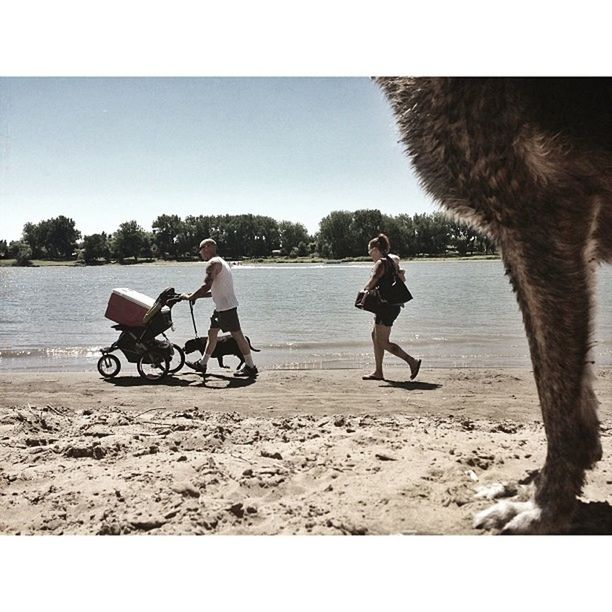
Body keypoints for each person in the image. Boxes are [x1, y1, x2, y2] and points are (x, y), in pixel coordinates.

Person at [180, 238, 258, 378]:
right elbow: (215, 291)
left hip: (226, 308)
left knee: (238, 337)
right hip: (222, 307)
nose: (200, 253)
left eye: (201, 249)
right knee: (212, 333)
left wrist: (191, 297)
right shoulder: (221, 262)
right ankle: (202, 364)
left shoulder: (213, 263)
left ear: (208, 247)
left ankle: (250, 366)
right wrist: (195, 296)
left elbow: (206, 286)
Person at [361, 233, 421, 381]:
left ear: (375, 249)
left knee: (382, 341)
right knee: (375, 336)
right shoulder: (390, 261)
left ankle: (412, 361)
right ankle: (378, 372)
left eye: (370, 251)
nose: (370, 255)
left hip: (387, 307)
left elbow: (373, 280)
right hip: (390, 305)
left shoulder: (381, 263)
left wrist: (362, 294)